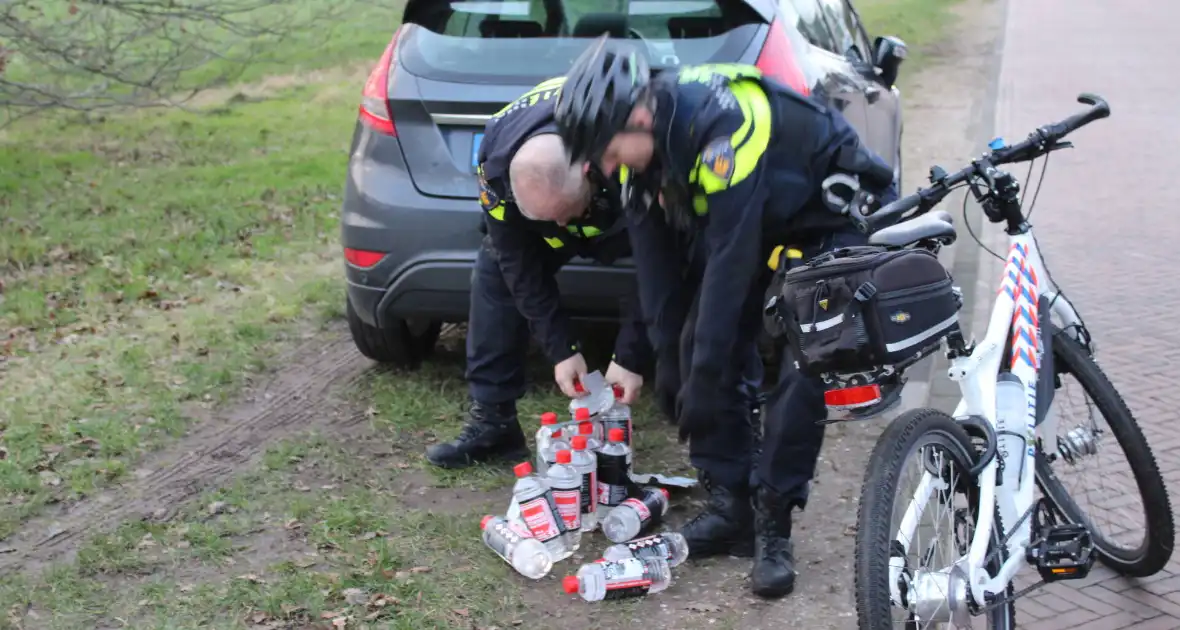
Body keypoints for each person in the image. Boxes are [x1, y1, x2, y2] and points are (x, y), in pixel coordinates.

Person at [554, 38, 899, 598]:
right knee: (692, 346)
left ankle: (773, 517)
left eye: (611, 152)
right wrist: (669, 362)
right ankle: (732, 502)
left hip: (821, 215)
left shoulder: (725, 126)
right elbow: (657, 275)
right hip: (752, 221)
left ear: (639, 115)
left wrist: (705, 371)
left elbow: (732, 266)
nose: (607, 166)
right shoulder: (629, 156)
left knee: (802, 360)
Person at [426, 77, 651, 470]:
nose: (562, 226)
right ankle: (492, 423)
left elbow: (661, 263)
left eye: (566, 214)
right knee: (496, 268)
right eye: (551, 219)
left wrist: (630, 353)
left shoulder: (628, 147)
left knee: (685, 280)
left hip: (620, 214)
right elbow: (518, 262)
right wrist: (561, 348)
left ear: (588, 169)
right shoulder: (494, 166)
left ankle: (705, 417)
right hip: (558, 204)